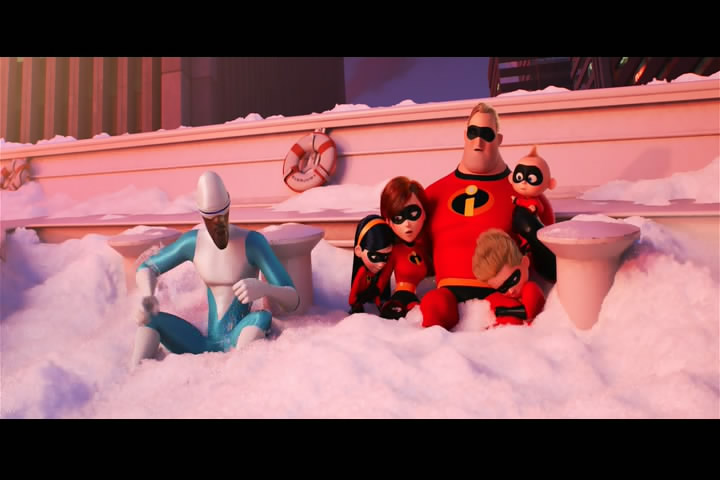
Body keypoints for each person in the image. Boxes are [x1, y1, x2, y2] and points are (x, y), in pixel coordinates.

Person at [130, 171, 299, 368]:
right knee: (149, 319)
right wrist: (148, 297)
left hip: (239, 335)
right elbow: (147, 268)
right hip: (204, 343)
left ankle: (238, 375)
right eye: (211, 219)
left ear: (229, 208)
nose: (219, 225)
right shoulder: (194, 243)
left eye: (222, 216)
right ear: (202, 216)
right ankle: (133, 377)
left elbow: (293, 299)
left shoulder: (252, 242)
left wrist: (264, 289)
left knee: (262, 318)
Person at [419, 102, 556, 330]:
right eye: (473, 133)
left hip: (503, 302)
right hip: (447, 302)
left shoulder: (528, 198)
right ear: (464, 135)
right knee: (435, 308)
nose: (478, 142)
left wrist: (531, 231)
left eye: (486, 134)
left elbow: (552, 268)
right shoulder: (433, 195)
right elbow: (413, 255)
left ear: (499, 139)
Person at [378, 176, 432, 320]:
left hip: (417, 298)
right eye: (398, 218)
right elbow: (383, 279)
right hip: (400, 296)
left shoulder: (423, 249)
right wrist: (375, 298)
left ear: (424, 214)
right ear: (388, 221)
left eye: (413, 214)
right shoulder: (395, 251)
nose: (407, 224)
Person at [472, 229, 546, 326]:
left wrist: (503, 311)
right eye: (503, 289)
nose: (511, 291)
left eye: (514, 279)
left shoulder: (530, 288)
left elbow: (528, 312)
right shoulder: (500, 298)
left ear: (525, 262)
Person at [348, 214, 394, 314]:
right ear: (358, 251)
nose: (381, 264)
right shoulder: (362, 272)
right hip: (361, 302)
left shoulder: (385, 269)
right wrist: (353, 302)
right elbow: (355, 289)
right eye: (374, 257)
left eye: (386, 257)